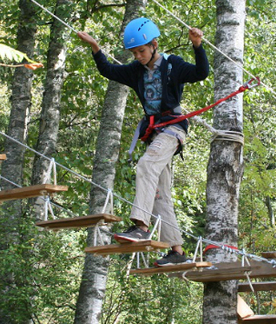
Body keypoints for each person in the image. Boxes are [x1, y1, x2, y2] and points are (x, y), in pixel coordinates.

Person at [77, 17, 209, 266]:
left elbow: (201, 73)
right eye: (134, 52)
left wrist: (197, 45)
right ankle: (177, 252)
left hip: (173, 129)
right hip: (156, 133)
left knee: (146, 166)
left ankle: (140, 225)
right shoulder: (135, 71)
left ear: (154, 45)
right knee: (160, 194)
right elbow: (107, 70)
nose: (138, 56)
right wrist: (95, 47)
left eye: (142, 51)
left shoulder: (173, 65)